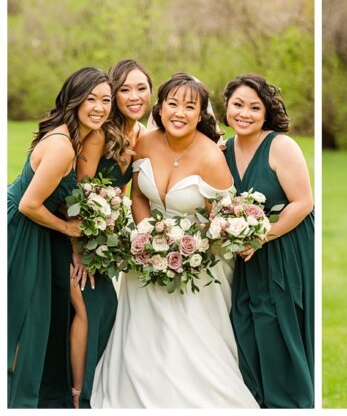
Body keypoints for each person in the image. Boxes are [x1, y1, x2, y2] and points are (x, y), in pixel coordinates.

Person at [90, 73, 258, 408]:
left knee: (189, 340)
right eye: (173, 104)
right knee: (142, 334)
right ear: (160, 108)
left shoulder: (212, 157)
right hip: (145, 255)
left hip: (199, 264)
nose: (180, 113)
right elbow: (137, 195)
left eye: (189, 106)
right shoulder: (146, 142)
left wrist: (184, 247)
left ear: (200, 114)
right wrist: (149, 236)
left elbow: (220, 220)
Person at [7, 67, 109, 407]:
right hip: (25, 231)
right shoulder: (63, 146)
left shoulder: (77, 137)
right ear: (74, 100)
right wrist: (69, 230)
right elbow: (28, 205)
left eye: (106, 100)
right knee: (24, 316)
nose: (99, 107)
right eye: (91, 99)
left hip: (43, 230)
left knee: (43, 316)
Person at [222, 73, 314, 408]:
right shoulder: (224, 150)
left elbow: (303, 202)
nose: (244, 113)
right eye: (238, 105)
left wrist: (264, 235)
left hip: (285, 245)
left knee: (278, 321)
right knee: (246, 320)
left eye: (254, 107)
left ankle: (290, 402)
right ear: (227, 107)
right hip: (246, 253)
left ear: (266, 112)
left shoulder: (280, 146)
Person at [68, 58, 150, 408]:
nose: (134, 96)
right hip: (71, 236)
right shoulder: (99, 135)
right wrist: (78, 249)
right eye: (125, 89)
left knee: (107, 310)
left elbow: (134, 196)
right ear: (113, 95)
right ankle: (77, 397)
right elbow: (79, 196)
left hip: (102, 242)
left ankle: (96, 392)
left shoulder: (142, 134)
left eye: (141, 88)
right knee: (90, 307)